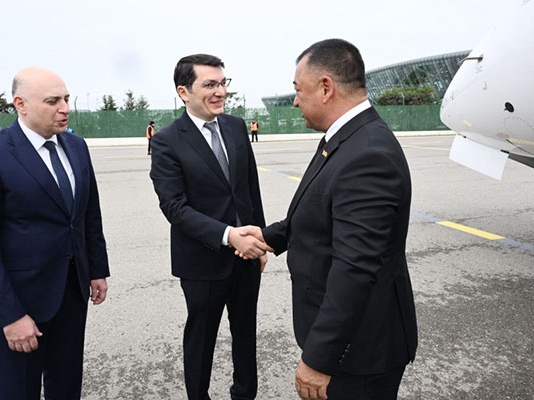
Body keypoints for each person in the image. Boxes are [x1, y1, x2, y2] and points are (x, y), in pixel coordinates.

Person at [239, 39, 417, 400]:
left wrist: (319, 359)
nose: (294, 101)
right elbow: (321, 213)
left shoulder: (368, 155)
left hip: (359, 354)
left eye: (298, 89)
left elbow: (355, 269)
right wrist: (268, 237)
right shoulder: (346, 139)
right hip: (352, 345)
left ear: (325, 88)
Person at [0, 66, 110, 400]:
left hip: (71, 293)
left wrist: (97, 269)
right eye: (53, 101)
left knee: (67, 387)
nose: (65, 108)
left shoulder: (76, 146)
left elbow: (88, 214)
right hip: (20, 301)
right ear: (21, 104)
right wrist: (10, 316)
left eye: (66, 99)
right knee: (20, 392)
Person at [149, 54, 270, 400]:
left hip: (246, 256)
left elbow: (249, 188)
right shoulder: (167, 141)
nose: (220, 92)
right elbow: (174, 207)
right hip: (202, 260)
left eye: (223, 83)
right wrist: (229, 236)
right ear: (183, 92)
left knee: (246, 334)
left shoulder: (235, 126)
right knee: (201, 339)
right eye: (210, 84)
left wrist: (261, 239)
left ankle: (244, 394)